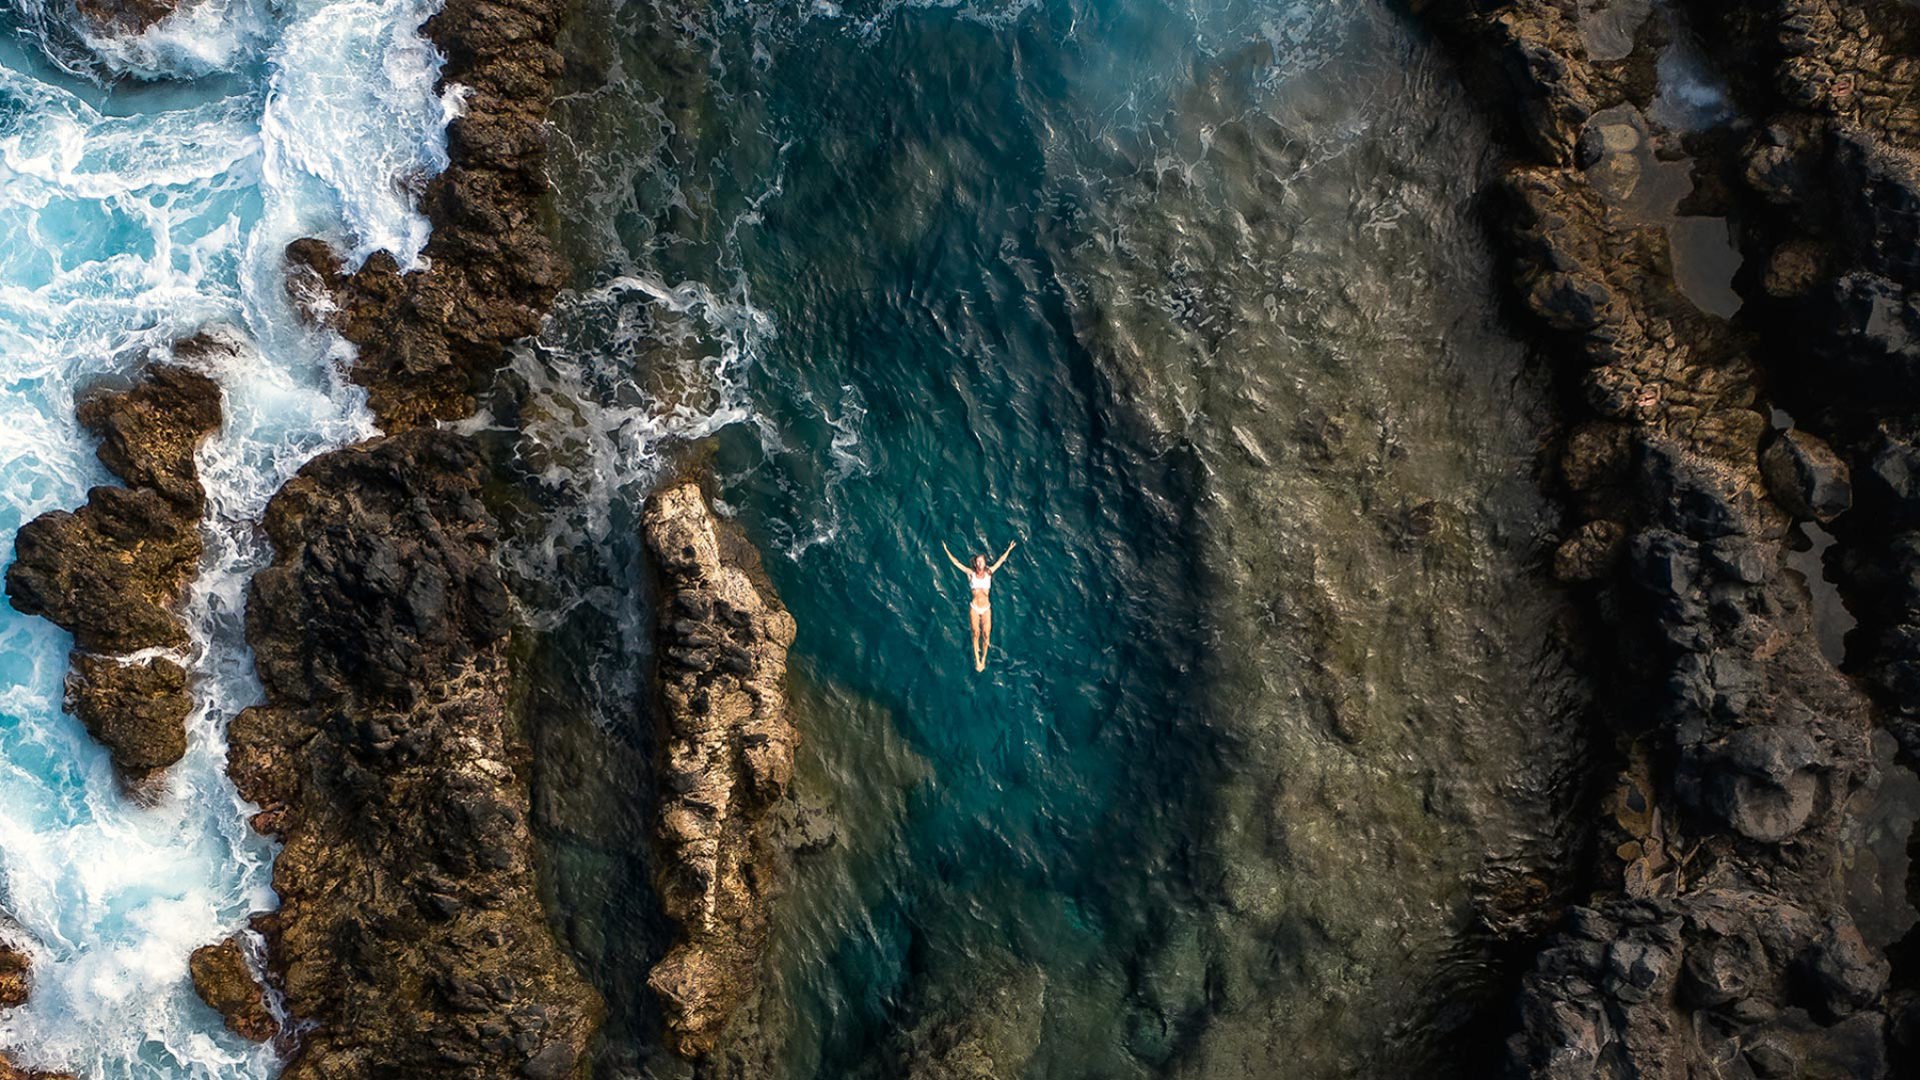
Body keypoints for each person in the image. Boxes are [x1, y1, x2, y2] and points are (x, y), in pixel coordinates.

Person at [943, 539, 1016, 672]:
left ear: (985, 562)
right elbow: (956, 563)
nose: (979, 563)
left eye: (981, 561)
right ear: (975, 564)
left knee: (986, 635)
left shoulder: (989, 573)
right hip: (975, 608)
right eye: (977, 561)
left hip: (986, 608)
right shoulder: (971, 574)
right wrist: (946, 550)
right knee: (976, 633)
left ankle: (984, 658)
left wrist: (1009, 549)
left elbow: (1000, 561)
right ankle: (977, 660)